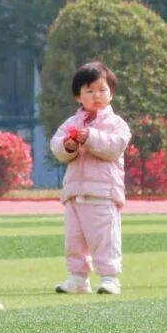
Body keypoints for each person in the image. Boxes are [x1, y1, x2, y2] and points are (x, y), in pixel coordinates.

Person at [50, 61, 131, 295]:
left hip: (103, 193)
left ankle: (110, 277)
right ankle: (78, 277)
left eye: (102, 90)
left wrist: (91, 137)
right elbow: (57, 147)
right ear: (78, 97)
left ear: (111, 94)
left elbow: (115, 147)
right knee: (74, 239)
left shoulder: (116, 124)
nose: (96, 95)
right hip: (74, 192)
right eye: (89, 90)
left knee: (104, 238)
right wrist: (69, 145)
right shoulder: (72, 123)